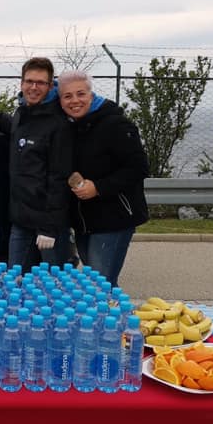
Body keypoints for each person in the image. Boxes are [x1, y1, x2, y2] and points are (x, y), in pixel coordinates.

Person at [57, 69, 149, 287]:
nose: (75, 101)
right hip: (83, 222)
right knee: (96, 284)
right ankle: (109, 317)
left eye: (81, 94)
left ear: (91, 94)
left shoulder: (115, 125)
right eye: (67, 96)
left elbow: (139, 167)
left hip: (113, 219)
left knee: (101, 284)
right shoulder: (68, 127)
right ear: (60, 100)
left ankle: (112, 318)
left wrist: (99, 187)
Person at [0, 56, 72, 271]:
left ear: (50, 84)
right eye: (29, 81)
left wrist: (49, 228)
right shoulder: (22, 113)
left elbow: (59, 179)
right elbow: (20, 134)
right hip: (21, 220)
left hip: (47, 225)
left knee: (55, 285)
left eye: (41, 83)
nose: (34, 87)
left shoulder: (59, 123)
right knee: (17, 282)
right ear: (22, 82)